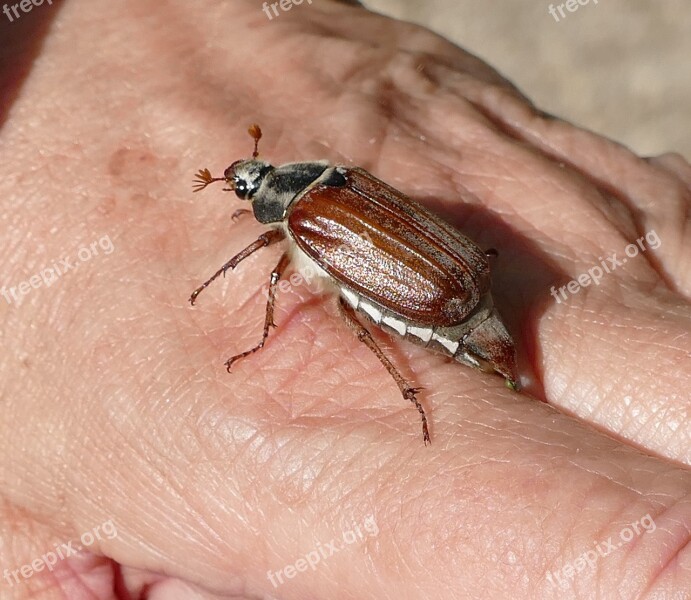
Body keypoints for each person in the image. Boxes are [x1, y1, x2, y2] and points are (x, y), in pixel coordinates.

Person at [0, 0, 689, 597]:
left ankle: (415, 395)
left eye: (249, 181)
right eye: (246, 179)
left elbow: (268, 269)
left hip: (431, 300)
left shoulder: (300, 223)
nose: (249, 180)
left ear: (265, 197)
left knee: (357, 326)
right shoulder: (339, 181)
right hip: (453, 274)